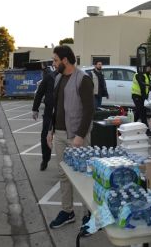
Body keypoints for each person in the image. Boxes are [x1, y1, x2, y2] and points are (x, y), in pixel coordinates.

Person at [46, 45, 94, 229]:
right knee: (63, 174)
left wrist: (80, 135)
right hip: (58, 134)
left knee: (82, 176)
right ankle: (67, 211)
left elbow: (89, 110)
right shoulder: (58, 78)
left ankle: (88, 215)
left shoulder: (83, 79)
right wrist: (50, 130)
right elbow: (55, 108)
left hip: (76, 136)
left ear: (65, 60)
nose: (54, 63)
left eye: (55, 60)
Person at [32, 62, 58, 171]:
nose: (54, 64)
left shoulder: (67, 77)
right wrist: (35, 109)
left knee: (65, 137)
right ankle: (45, 159)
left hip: (62, 114)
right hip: (49, 113)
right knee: (45, 137)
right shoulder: (49, 76)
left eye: (56, 61)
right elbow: (39, 92)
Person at [131, 62, 151, 132]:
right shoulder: (139, 74)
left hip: (141, 96)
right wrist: (145, 98)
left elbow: (149, 84)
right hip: (137, 95)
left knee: (138, 112)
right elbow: (142, 87)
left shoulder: (147, 75)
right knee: (143, 113)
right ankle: (147, 130)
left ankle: (132, 126)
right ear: (148, 67)